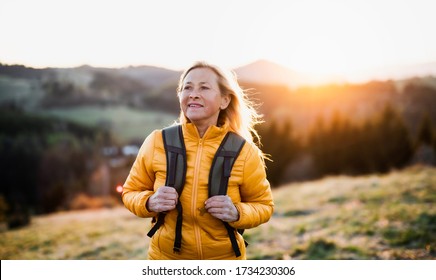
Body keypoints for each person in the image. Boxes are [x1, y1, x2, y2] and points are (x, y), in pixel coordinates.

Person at [122, 61, 274, 260]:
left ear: (224, 101)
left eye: (204, 87)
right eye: (187, 87)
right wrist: (150, 201)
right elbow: (130, 191)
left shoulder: (244, 151)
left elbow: (264, 205)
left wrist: (237, 212)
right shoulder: (158, 141)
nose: (193, 93)